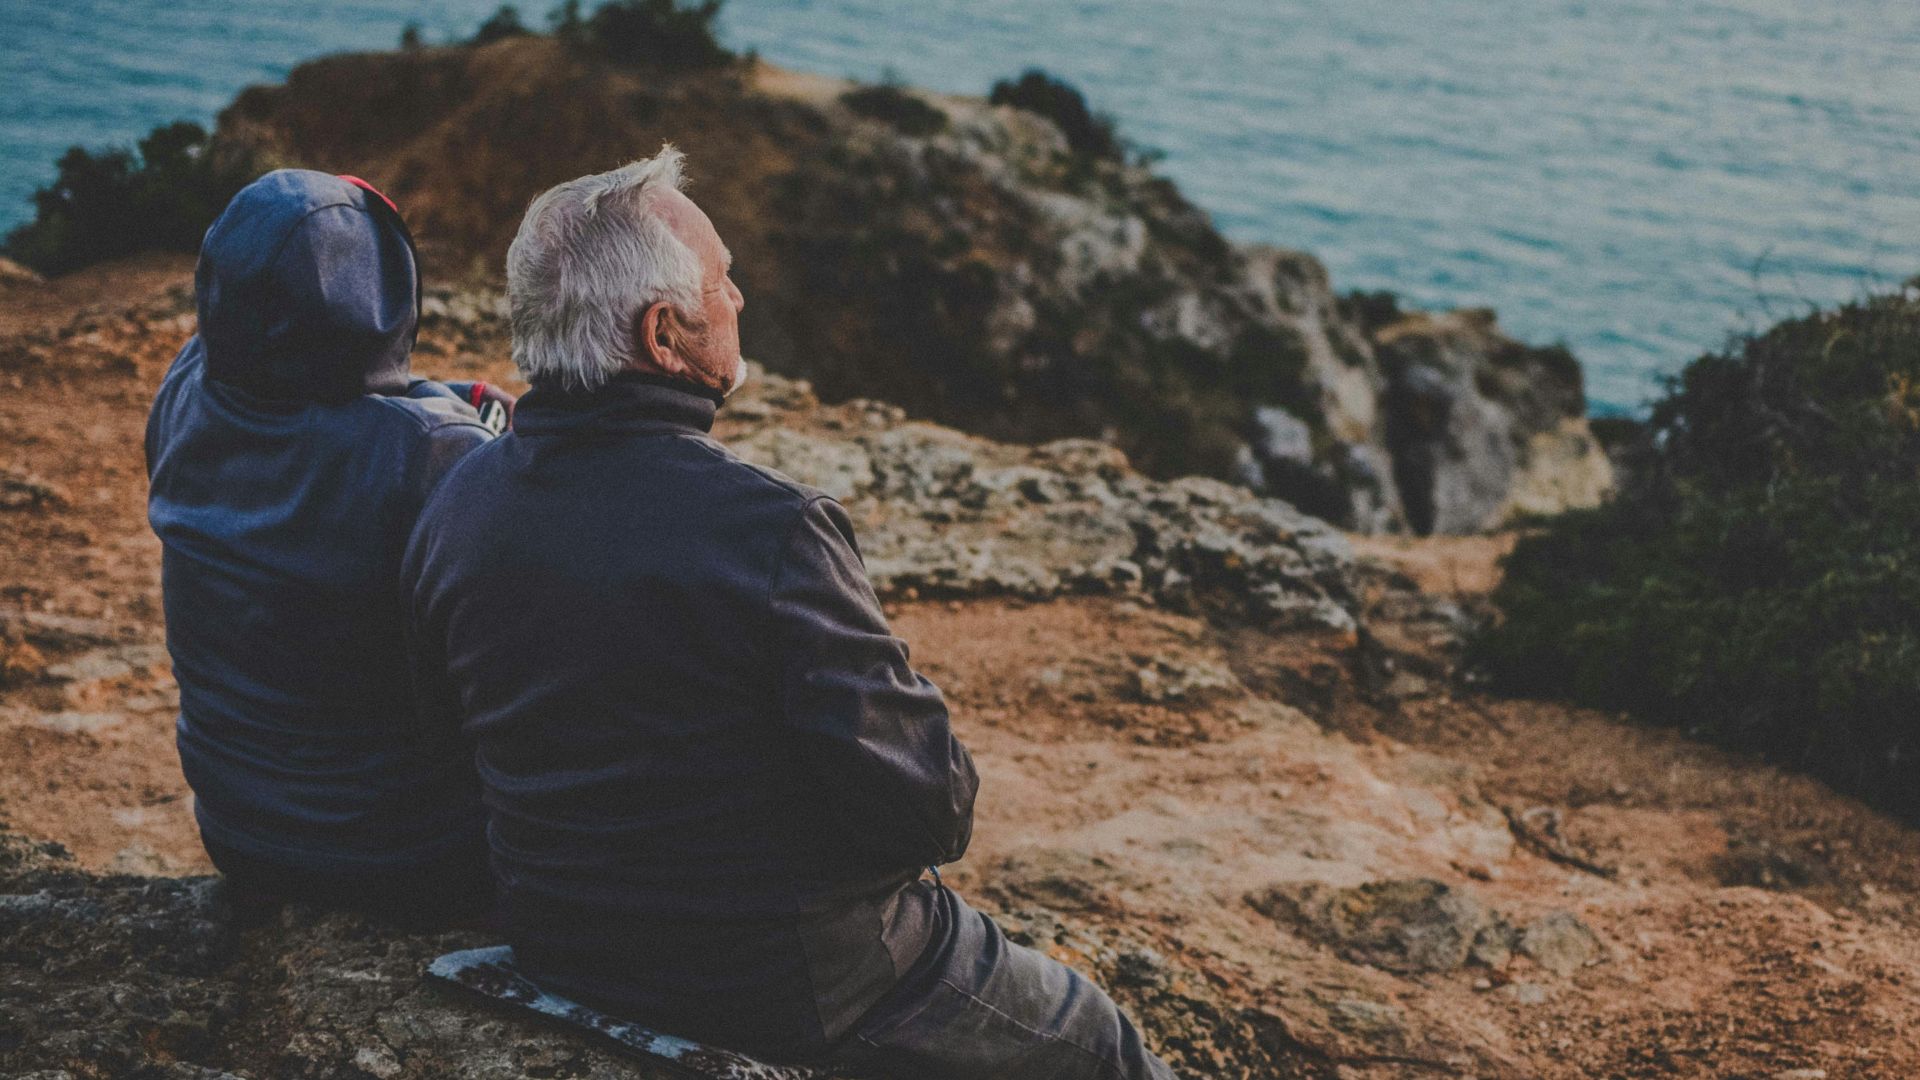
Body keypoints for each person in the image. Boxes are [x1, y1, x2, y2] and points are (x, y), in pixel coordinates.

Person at [403, 147, 1177, 1079]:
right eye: (724, 282)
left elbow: (445, 735)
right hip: (794, 982)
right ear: (664, 334)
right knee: (1095, 1037)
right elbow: (932, 811)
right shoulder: (769, 531)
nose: (741, 301)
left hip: (557, 941)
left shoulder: (458, 499)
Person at [146, 170, 510, 923]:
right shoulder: (433, 455)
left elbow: (315, 397)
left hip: (238, 829)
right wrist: (479, 422)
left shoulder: (185, 390)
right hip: (409, 855)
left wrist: (443, 399)